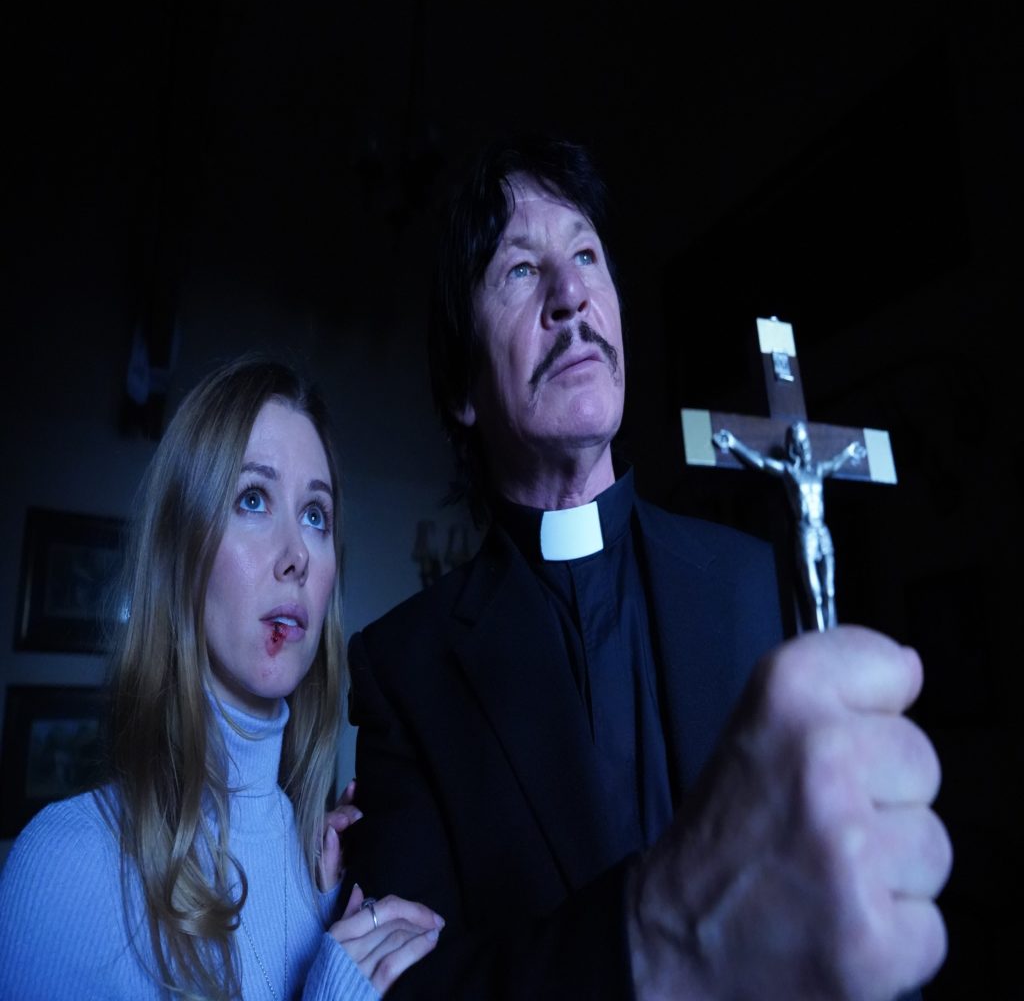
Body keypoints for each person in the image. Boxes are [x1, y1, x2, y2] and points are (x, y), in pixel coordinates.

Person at [344, 138, 951, 999]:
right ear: (461, 390)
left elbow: (843, 888)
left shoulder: (746, 581)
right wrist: (646, 931)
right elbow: (418, 990)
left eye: (587, 256)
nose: (571, 295)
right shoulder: (405, 670)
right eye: (520, 270)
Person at [0, 358, 444, 1000]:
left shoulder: (329, 872)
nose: (296, 555)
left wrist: (325, 913)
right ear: (181, 549)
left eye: (315, 514)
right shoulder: (62, 866)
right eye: (253, 499)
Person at [714, 421, 867, 630]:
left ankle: (832, 636)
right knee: (814, 594)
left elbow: (834, 462)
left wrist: (849, 452)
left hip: (822, 531)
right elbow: (761, 462)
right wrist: (734, 443)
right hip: (805, 533)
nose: (805, 447)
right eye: (800, 443)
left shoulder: (817, 470)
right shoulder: (789, 472)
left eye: (806, 442)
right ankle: (819, 638)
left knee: (829, 591)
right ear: (793, 447)